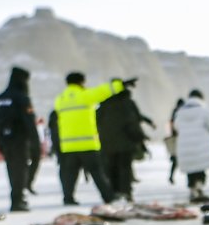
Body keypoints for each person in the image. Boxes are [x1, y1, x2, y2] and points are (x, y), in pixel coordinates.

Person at [54, 71, 127, 205]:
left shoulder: (60, 99)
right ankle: (108, 197)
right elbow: (103, 91)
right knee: (97, 173)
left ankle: (68, 198)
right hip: (87, 144)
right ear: (81, 82)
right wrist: (120, 85)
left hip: (68, 145)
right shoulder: (84, 95)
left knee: (69, 175)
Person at [98, 85, 152, 201]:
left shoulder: (103, 106)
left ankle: (114, 192)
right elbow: (132, 122)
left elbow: (96, 123)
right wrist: (140, 137)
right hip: (125, 143)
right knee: (124, 169)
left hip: (107, 144)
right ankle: (126, 192)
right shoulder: (126, 105)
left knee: (111, 168)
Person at [0, 67, 34, 210]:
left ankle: (15, 199)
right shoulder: (22, 97)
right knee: (21, 170)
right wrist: (35, 140)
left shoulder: (1, 97)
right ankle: (18, 201)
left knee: (11, 170)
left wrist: (0, 142)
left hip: (6, 141)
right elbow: (29, 121)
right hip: (20, 141)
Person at [173, 89, 209, 200]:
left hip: (184, 144)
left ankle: (192, 187)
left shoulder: (180, 111)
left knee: (190, 168)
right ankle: (199, 185)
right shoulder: (203, 110)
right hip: (201, 144)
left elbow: (176, 127)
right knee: (200, 166)